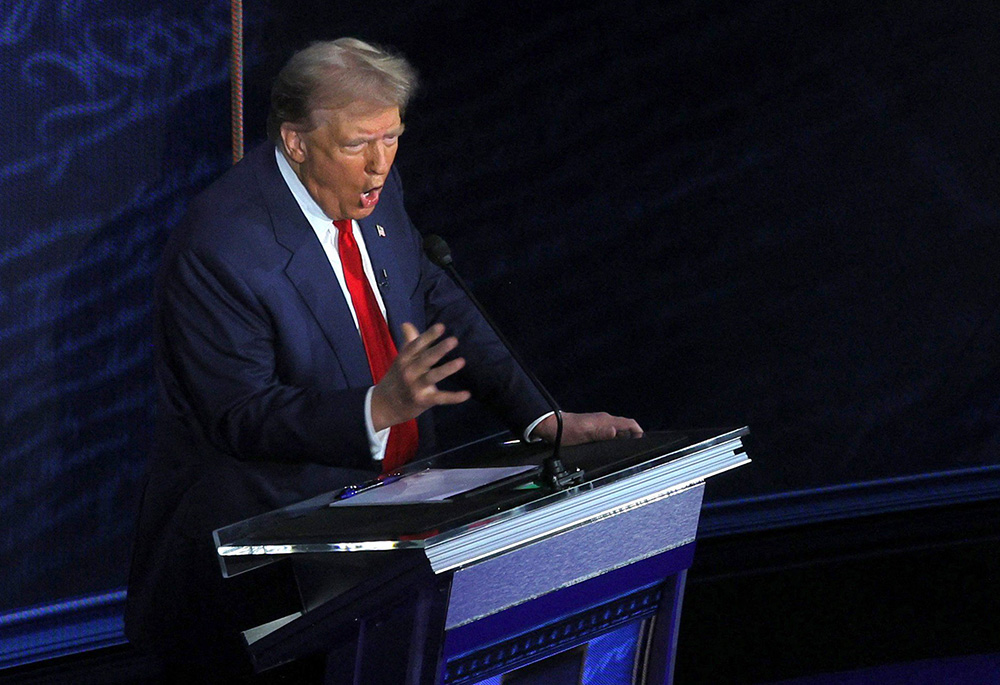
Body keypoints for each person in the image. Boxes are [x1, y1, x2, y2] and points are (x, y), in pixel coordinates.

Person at [125, 37, 642, 680]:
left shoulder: (377, 190)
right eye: (356, 146)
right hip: (261, 578)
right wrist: (378, 408)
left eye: (391, 138)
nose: (378, 166)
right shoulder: (221, 246)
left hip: (391, 548)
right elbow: (241, 413)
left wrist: (541, 420)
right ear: (295, 141)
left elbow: (433, 295)